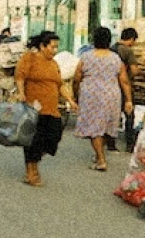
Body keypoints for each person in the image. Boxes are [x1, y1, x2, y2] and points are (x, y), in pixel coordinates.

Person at [15, 31, 78, 187]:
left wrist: (70, 99)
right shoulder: (30, 58)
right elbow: (20, 76)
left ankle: (34, 163)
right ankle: (31, 171)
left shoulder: (53, 64)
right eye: (52, 47)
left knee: (54, 137)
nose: (55, 50)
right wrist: (21, 93)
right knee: (33, 141)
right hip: (33, 108)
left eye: (56, 47)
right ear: (43, 46)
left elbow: (60, 84)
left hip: (52, 109)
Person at [73, 26, 131, 172]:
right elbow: (124, 80)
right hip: (111, 95)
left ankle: (101, 159)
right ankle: (99, 154)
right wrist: (129, 100)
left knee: (94, 128)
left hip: (91, 95)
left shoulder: (86, 57)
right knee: (105, 126)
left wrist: (76, 93)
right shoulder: (115, 58)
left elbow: (77, 77)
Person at [112, 27, 140, 152]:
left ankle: (110, 143)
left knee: (113, 115)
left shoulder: (112, 49)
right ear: (132, 39)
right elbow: (134, 70)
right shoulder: (127, 51)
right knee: (129, 114)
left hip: (111, 87)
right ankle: (129, 144)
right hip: (124, 86)